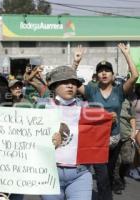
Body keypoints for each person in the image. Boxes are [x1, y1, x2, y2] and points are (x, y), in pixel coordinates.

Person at [73, 43, 139, 200]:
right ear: (96, 75)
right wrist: (76, 62)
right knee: (102, 176)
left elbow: (135, 76)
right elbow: (72, 81)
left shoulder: (119, 90)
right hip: (96, 140)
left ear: (113, 75)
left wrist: (126, 54)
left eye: (107, 71)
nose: (104, 73)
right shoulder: (91, 90)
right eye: (100, 71)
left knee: (109, 175)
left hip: (114, 140)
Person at [38, 65, 93, 200]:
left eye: (74, 83)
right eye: (65, 82)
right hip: (49, 172)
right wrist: (47, 141)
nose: (70, 86)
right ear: (54, 86)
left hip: (80, 173)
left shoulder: (87, 109)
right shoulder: (41, 107)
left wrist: (108, 121)